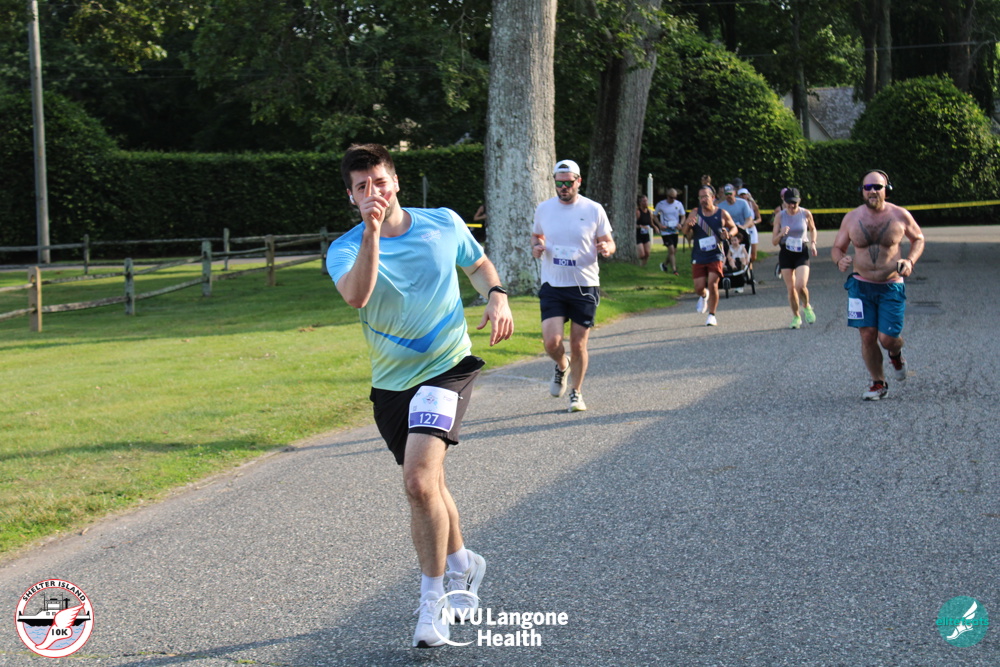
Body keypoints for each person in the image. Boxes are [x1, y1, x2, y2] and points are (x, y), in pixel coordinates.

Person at [326, 144, 514, 647]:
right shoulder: (344, 248)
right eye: (362, 187)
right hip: (391, 384)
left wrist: (496, 295)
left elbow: (478, 264)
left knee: (416, 481)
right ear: (351, 197)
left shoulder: (442, 223)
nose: (374, 192)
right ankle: (463, 562)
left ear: (396, 182)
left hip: (447, 368)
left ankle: (434, 602)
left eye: (380, 182)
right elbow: (357, 295)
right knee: (430, 485)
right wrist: (371, 232)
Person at [831, 170, 925, 401]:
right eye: (868, 187)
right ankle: (878, 383)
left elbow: (918, 239)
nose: (872, 191)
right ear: (862, 191)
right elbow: (837, 247)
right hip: (860, 287)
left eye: (877, 187)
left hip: (890, 285)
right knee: (867, 335)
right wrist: (839, 259)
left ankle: (896, 353)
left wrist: (909, 261)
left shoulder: (900, 215)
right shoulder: (852, 218)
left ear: (886, 190)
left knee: (887, 339)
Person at [532, 159, 615, 412]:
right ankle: (562, 365)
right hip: (553, 283)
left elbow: (609, 241)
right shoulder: (544, 209)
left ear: (578, 181)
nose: (563, 188)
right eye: (559, 184)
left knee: (578, 344)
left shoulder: (593, 209)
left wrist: (606, 248)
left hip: (584, 285)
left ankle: (576, 393)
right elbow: (537, 236)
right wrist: (537, 247)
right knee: (551, 342)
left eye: (568, 183)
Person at [680, 184, 739, 326]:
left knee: (713, 283)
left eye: (705, 196)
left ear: (713, 197)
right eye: (700, 197)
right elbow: (684, 232)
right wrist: (688, 224)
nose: (703, 200)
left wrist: (728, 234)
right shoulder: (695, 212)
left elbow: (734, 228)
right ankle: (703, 295)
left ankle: (712, 315)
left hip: (716, 254)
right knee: (699, 287)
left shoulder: (722, 213)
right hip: (699, 254)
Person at [772, 187, 818, 328]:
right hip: (786, 253)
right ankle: (796, 317)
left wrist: (813, 243)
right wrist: (781, 234)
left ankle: (807, 306)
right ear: (784, 202)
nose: (792, 206)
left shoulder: (805, 213)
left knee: (800, 285)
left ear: (799, 201)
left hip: (801, 252)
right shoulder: (780, 216)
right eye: (789, 203)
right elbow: (774, 241)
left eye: (795, 203)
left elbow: (813, 229)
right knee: (791, 289)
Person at [716, 183, 755, 293]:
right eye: (726, 194)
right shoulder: (721, 206)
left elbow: (749, 219)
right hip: (727, 234)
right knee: (725, 251)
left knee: (744, 251)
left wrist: (743, 227)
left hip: (740, 232)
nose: (728, 196)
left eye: (730, 193)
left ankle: (744, 274)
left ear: (734, 193)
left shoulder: (743, 203)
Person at [655, 188, 685, 274]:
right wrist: (659, 225)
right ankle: (674, 270)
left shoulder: (678, 204)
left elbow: (683, 216)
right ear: (667, 196)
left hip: (674, 230)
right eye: (671, 197)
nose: (673, 199)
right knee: (671, 250)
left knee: (674, 251)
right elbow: (654, 215)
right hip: (665, 230)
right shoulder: (661, 204)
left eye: (675, 197)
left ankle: (664, 264)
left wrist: (681, 224)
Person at [737, 187, 762, 265]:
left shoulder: (752, 205)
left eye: (744, 194)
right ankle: (747, 267)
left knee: (753, 255)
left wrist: (754, 222)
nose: (743, 196)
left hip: (751, 229)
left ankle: (749, 264)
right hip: (743, 230)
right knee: (744, 251)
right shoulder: (737, 205)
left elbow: (759, 218)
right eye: (741, 195)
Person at [635, 194, 657, 266]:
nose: (646, 203)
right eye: (644, 201)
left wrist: (655, 227)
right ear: (640, 203)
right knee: (642, 254)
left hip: (646, 235)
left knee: (647, 253)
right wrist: (640, 226)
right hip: (638, 235)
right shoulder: (638, 212)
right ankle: (636, 263)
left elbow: (651, 223)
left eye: (646, 201)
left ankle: (642, 267)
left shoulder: (649, 212)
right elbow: (633, 225)